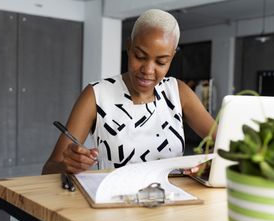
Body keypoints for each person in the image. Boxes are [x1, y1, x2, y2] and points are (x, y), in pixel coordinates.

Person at [42, 9, 216, 175]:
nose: (148, 70)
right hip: (116, 202)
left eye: (161, 62)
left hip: (172, 200)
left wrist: (212, 165)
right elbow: (48, 169)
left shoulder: (178, 92)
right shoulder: (96, 94)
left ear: (172, 57)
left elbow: (226, 144)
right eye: (140, 56)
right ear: (129, 47)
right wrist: (68, 165)